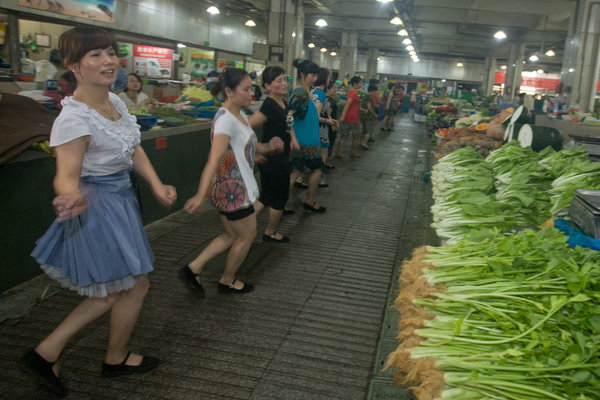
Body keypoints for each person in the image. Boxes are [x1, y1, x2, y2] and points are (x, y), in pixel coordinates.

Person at [21, 26, 177, 396]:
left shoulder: (115, 102)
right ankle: (90, 356)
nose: (108, 61)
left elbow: (133, 147)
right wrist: (68, 196)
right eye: (96, 55)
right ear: (74, 65)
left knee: (126, 286)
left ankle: (59, 353)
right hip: (97, 206)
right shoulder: (74, 118)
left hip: (121, 200)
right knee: (126, 286)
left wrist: (155, 184)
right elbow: (66, 175)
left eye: (110, 52)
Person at [180, 68, 283, 296]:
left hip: (231, 188)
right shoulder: (226, 120)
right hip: (233, 191)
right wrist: (200, 195)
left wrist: (269, 148)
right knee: (246, 236)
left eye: (251, 89)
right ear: (229, 91)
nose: (251, 94)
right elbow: (213, 159)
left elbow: (246, 148)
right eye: (246, 89)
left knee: (230, 235)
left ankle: (193, 268)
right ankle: (227, 281)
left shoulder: (241, 115)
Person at [249, 66, 298, 241]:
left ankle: (242, 226)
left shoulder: (282, 102)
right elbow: (246, 128)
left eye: (285, 79)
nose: (284, 83)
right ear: (268, 86)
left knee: (267, 195)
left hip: (280, 156)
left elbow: (287, 124)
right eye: (279, 81)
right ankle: (269, 232)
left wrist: (292, 139)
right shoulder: (269, 105)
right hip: (274, 160)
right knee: (280, 196)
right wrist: (255, 152)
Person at [288, 59, 328, 213]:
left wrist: (326, 120)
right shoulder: (300, 92)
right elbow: (289, 116)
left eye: (316, 75)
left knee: (296, 172)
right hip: (304, 142)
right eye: (311, 75)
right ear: (302, 74)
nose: (314, 78)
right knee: (317, 169)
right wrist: (293, 139)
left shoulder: (306, 92)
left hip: (307, 140)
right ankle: (309, 201)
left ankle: (282, 204)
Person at [312, 67, 338, 169]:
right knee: (323, 152)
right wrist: (328, 121)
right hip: (321, 127)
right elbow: (316, 116)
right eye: (328, 77)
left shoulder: (312, 91)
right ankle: (318, 174)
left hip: (316, 127)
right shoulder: (321, 93)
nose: (329, 80)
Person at [335, 76, 366, 159]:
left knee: (343, 136)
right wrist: (343, 115)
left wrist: (362, 110)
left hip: (348, 118)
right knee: (356, 136)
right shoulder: (353, 93)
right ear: (355, 83)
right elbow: (347, 105)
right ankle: (352, 152)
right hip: (353, 118)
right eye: (360, 83)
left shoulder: (352, 92)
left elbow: (354, 105)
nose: (361, 84)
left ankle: (338, 152)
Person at [359, 83, 379, 150]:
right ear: (370, 91)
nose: (374, 94)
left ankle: (361, 142)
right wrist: (374, 114)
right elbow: (369, 107)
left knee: (364, 130)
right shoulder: (369, 98)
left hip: (363, 116)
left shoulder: (364, 96)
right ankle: (364, 143)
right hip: (368, 117)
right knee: (368, 131)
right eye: (374, 92)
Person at [326, 81, 339, 159]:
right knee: (329, 143)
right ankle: (326, 161)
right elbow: (328, 115)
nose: (335, 89)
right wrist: (332, 125)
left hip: (328, 125)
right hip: (329, 126)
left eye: (335, 87)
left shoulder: (328, 99)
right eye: (333, 88)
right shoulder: (330, 101)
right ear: (327, 89)